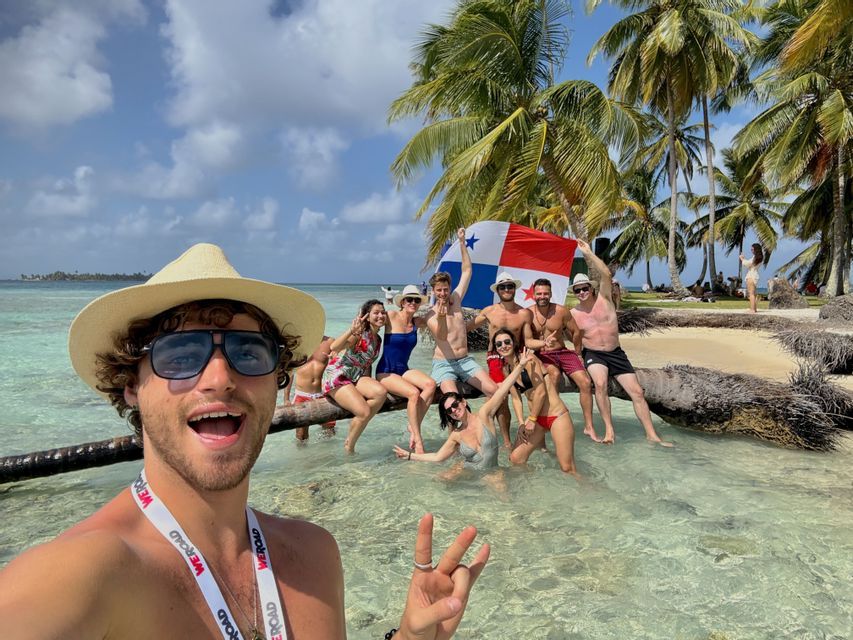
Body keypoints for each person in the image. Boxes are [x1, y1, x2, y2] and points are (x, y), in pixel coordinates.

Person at [0, 243, 489, 639]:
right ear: (131, 382)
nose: (219, 377)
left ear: (276, 375)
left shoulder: (314, 557)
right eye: (182, 350)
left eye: (247, 350)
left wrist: (407, 637)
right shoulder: (82, 577)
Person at [570, 239, 673, 447]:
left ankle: (651, 434)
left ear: (591, 288)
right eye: (577, 290)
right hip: (594, 354)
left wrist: (588, 253)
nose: (581, 293)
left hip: (616, 353)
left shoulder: (605, 299)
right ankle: (609, 429)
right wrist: (578, 356)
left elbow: (606, 274)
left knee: (637, 392)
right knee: (599, 385)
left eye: (584, 289)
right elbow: (573, 337)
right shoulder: (573, 314)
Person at [393, 348, 536, 472]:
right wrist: (410, 456)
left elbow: (501, 390)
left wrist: (520, 366)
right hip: (470, 472)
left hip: (492, 474)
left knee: (503, 498)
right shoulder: (457, 435)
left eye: (455, 405)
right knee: (442, 481)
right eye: (449, 411)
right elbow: (438, 457)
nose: (454, 411)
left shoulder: (484, 415)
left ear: (463, 401)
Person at [488, 330, 578, 474]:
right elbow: (516, 398)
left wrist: (532, 419)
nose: (503, 346)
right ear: (495, 348)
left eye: (507, 342)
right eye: (499, 344)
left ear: (514, 343)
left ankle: (590, 489)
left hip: (556, 416)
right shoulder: (507, 368)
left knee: (567, 468)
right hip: (536, 420)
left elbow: (541, 391)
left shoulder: (529, 359)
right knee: (516, 459)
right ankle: (533, 488)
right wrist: (521, 423)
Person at [424, 228, 498, 400]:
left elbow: (467, 271)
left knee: (494, 391)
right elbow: (441, 336)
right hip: (444, 364)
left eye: (445, 289)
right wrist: (442, 317)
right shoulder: (431, 315)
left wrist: (462, 243)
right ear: (433, 291)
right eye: (439, 290)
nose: (443, 293)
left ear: (450, 288)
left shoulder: (456, 299)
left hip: (465, 361)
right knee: (453, 400)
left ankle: (483, 424)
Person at [524, 277, 599, 442]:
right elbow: (526, 340)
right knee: (554, 376)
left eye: (546, 293)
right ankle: (553, 419)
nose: (542, 296)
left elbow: (577, 332)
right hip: (542, 355)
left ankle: (589, 426)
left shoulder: (561, 311)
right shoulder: (528, 313)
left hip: (563, 352)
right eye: (539, 293)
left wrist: (578, 353)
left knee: (585, 382)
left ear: (551, 294)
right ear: (533, 295)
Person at [466, 271, 534, 447]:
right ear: (497, 290)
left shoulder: (524, 313)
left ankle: (533, 433)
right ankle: (505, 441)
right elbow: (465, 328)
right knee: (499, 396)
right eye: (502, 287)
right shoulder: (489, 311)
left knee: (531, 393)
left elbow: (528, 340)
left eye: (509, 286)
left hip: (517, 356)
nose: (506, 289)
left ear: (514, 288)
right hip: (495, 356)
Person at [375, 284, 438, 454]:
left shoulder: (417, 322)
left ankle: (413, 425)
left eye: (416, 300)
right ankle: (418, 440)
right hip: (385, 372)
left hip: (404, 370)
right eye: (409, 299)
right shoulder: (391, 315)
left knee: (431, 385)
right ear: (402, 302)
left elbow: (438, 316)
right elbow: (372, 320)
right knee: (413, 393)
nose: (413, 302)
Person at [322, 299, 388, 453]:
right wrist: (351, 331)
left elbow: (367, 364)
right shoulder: (359, 334)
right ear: (367, 316)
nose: (380, 315)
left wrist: (369, 383)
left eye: (383, 312)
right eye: (376, 313)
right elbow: (334, 347)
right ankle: (349, 446)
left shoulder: (377, 339)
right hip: (338, 376)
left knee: (381, 392)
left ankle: (358, 421)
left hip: (356, 377)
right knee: (364, 411)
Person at [284, 335, 337, 441]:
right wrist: (286, 399)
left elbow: (341, 365)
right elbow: (290, 372)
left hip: (323, 395)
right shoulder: (296, 343)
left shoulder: (330, 342)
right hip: (301, 395)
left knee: (329, 432)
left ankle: (327, 456)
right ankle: (302, 457)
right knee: (301, 436)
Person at [739, 243, 764, 313]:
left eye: (752, 249)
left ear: (756, 249)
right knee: (753, 293)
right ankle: (754, 308)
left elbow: (748, 264)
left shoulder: (755, 257)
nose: (751, 250)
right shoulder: (760, 257)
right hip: (755, 275)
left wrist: (742, 259)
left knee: (751, 294)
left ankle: (752, 309)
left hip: (751, 275)